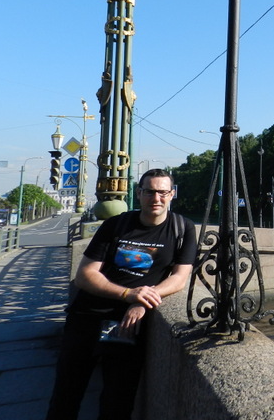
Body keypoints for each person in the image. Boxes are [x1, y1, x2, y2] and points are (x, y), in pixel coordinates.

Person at [46, 168, 197, 420]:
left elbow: (179, 278)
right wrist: (128, 294)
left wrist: (143, 300)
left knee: (117, 402)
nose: (156, 198)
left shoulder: (183, 228)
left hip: (127, 325)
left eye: (162, 192)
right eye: (149, 192)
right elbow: (85, 275)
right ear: (139, 194)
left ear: (172, 194)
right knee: (65, 396)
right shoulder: (117, 224)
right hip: (86, 317)